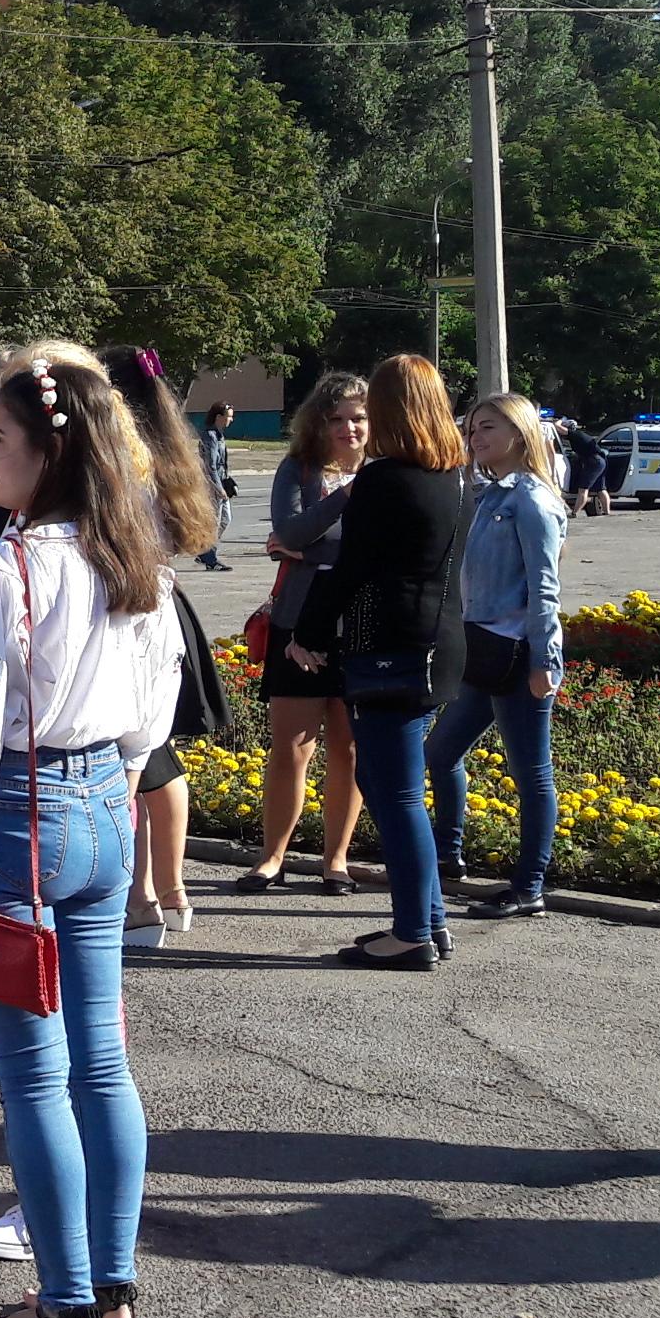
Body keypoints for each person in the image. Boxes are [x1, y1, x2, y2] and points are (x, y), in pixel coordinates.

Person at [0, 353, 182, 1318]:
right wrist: (108, 790)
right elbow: (154, 712)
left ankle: (61, 1311)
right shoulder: (135, 562)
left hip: (15, 817)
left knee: (35, 1080)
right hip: (106, 801)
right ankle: (111, 1292)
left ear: (47, 453)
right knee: (100, 1064)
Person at [283, 354, 468, 969]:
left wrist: (308, 632)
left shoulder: (384, 479)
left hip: (391, 649)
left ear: (389, 410)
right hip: (439, 645)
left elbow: (350, 569)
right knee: (395, 786)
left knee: (396, 794)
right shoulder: (454, 476)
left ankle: (412, 933)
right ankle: (430, 922)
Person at [103, 346, 227, 951]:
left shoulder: (122, 458)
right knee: (157, 754)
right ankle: (169, 892)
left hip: (125, 610)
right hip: (164, 606)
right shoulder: (174, 452)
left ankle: (140, 899)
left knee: (132, 758)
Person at [428, 395, 569, 921]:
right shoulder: (489, 494)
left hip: (519, 655)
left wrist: (545, 661)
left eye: (487, 427)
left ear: (520, 432)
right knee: (440, 753)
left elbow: (545, 589)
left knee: (532, 773)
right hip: (483, 653)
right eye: (471, 429)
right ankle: (447, 855)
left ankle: (529, 886)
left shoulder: (531, 501)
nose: (475, 437)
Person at [233, 374, 370, 895]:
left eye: (358, 418)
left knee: (348, 750)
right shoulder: (300, 468)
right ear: (318, 422)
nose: (349, 428)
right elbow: (287, 531)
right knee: (291, 747)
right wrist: (345, 498)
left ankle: (336, 860)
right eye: (337, 419)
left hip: (360, 625)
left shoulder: (387, 470)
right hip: (297, 620)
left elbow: (376, 549)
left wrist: (307, 547)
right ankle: (272, 858)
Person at [194, 400, 238, 571]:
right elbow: (210, 465)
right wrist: (218, 488)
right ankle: (210, 559)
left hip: (221, 481)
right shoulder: (210, 436)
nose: (231, 420)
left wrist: (228, 482)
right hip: (212, 484)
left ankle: (205, 552)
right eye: (229, 417)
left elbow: (221, 464)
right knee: (215, 521)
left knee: (225, 519)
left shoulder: (219, 435)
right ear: (218, 417)